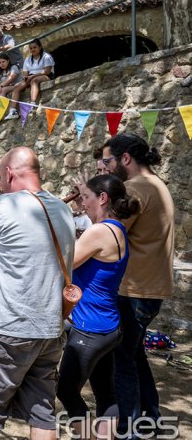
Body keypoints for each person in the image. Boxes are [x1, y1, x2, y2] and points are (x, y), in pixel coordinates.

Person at [0, 147, 75, 440]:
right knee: (42, 413)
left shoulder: (5, 207)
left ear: (7, 174)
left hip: (2, 331)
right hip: (49, 329)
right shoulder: (62, 208)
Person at [95, 133, 174, 432]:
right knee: (135, 355)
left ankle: (127, 429)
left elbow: (108, 233)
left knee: (121, 361)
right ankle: (151, 419)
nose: (104, 167)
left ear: (124, 158)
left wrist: (94, 200)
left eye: (107, 161)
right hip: (150, 287)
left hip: (135, 289)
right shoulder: (156, 183)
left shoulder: (134, 188)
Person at [56, 174, 139, 439]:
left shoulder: (98, 232)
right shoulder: (117, 228)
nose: (82, 204)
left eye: (86, 198)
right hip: (109, 328)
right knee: (105, 393)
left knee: (66, 391)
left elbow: (63, 265)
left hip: (89, 330)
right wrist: (82, 191)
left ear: (103, 198)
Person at [14, 38, 55, 109]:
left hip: (46, 76)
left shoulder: (46, 57)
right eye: (31, 48)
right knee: (17, 87)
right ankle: (13, 110)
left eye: (35, 47)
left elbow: (47, 71)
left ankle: (33, 103)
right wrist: (26, 79)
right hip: (31, 77)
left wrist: (32, 77)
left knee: (34, 80)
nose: (33, 50)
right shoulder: (28, 59)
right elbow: (25, 74)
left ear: (40, 47)